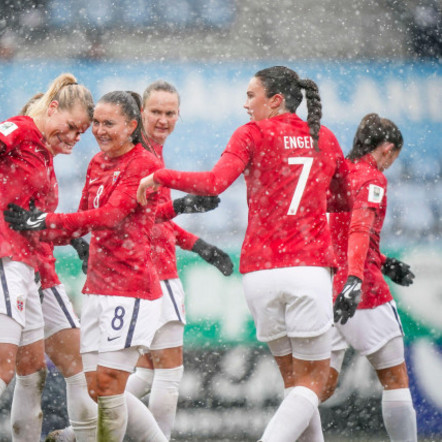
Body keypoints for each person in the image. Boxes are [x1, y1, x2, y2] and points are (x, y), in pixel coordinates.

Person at [137, 66, 348, 442]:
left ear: (275, 100)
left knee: (294, 386)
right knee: (313, 383)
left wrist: (163, 177)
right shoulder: (325, 138)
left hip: (260, 273)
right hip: (308, 268)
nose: (246, 103)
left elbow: (214, 182)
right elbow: (343, 199)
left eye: (252, 95)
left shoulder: (251, 134)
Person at [6, 90, 172, 442]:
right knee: (97, 387)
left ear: (131, 126)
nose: (98, 130)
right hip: (98, 287)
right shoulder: (97, 163)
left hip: (131, 289)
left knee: (110, 385)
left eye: (108, 123)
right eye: (95, 122)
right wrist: (42, 229)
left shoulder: (144, 164)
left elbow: (110, 216)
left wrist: (42, 221)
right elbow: (81, 223)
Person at [0, 84, 97, 442]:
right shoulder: (21, 129)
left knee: (21, 371)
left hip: (23, 264)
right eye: (72, 126)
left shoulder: (43, 155)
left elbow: (31, 216)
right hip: (0, 257)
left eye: (81, 133)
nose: (75, 137)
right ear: (52, 108)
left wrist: (73, 240)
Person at [123, 80, 233, 440]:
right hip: (155, 274)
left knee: (146, 374)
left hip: (138, 271)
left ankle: (84, 426)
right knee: (168, 374)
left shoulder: (149, 153)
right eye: (156, 111)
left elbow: (156, 221)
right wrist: (183, 206)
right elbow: (137, 218)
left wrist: (201, 246)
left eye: (170, 113)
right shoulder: (143, 158)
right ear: (141, 113)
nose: (163, 119)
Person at [325, 114, 417, 442]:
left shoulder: (338, 174)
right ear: (388, 149)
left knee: (317, 387)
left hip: (324, 286)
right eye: (395, 157)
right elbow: (359, 229)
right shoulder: (372, 177)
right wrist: (356, 278)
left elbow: (336, 234)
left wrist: (386, 260)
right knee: (395, 378)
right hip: (360, 288)